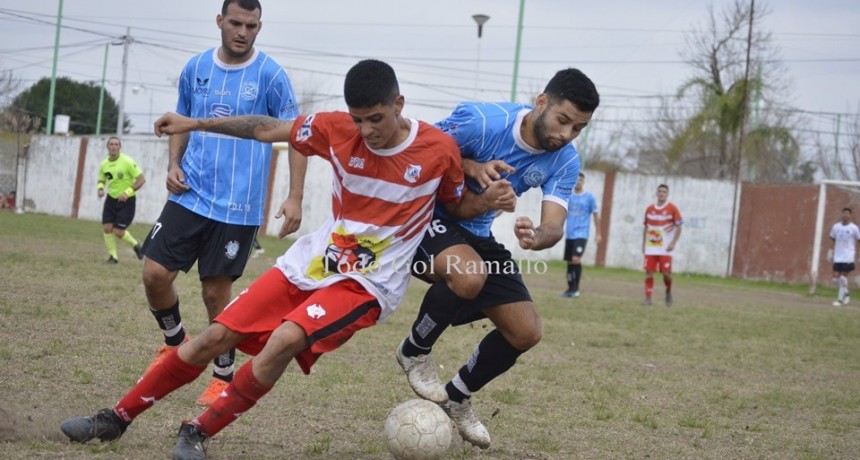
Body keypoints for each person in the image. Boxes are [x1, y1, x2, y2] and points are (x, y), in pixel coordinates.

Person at [60, 59, 514, 460]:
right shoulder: (335, 128)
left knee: (284, 339)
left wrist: (488, 200)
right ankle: (115, 418)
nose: (367, 131)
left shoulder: (438, 151)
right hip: (313, 263)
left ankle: (197, 432)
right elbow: (264, 128)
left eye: (375, 118)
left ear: (399, 103)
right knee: (213, 338)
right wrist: (193, 123)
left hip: (368, 283)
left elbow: (455, 206)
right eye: (359, 119)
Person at [394, 68, 600, 449]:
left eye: (578, 128)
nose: (566, 135)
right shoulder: (483, 121)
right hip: (424, 218)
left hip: (474, 232)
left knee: (525, 331)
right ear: (541, 102)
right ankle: (414, 351)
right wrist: (471, 166)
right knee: (470, 275)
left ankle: (457, 395)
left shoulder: (565, 161)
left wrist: (537, 236)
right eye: (563, 120)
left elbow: (554, 223)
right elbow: (421, 147)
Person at [137, 0, 303, 407]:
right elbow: (183, 119)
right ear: (219, 22)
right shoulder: (195, 68)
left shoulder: (271, 75)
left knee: (216, 294)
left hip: (238, 206)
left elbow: (300, 133)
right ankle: (175, 344)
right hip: (190, 193)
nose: (243, 31)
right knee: (155, 274)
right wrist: (174, 163)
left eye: (251, 25)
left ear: (259, 27)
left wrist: (295, 195)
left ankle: (222, 374)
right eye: (235, 23)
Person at [97, 136, 146, 264]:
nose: (113, 146)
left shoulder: (127, 162)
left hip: (127, 202)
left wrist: (127, 192)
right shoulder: (104, 164)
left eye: (116, 144)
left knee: (118, 232)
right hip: (111, 199)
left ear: (120, 147)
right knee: (107, 228)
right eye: (111, 144)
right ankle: (113, 257)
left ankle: (136, 245)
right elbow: (102, 179)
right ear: (107, 147)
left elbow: (141, 180)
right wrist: (100, 189)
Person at [642, 183, 683, 306]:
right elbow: (646, 227)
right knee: (649, 271)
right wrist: (643, 244)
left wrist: (673, 243)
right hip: (651, 246)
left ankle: (668, 290)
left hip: (665, 248)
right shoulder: (649, 209)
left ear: (667, 194)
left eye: (664, 192)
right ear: (656, 193)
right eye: (659, 191)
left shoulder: (672, 208)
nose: (661, 193)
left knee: (666, 273)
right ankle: (648, 298)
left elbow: (679, 226)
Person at [561, 172, 601, 298]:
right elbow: (562, 213)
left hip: (582, 233)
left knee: (576, 259)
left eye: (580, 180)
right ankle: (570, 288)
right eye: (576, 180)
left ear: (583, 182)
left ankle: (576, 289)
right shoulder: (568, 197)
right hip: (569, 234)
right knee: (569, 261)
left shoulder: (589, 197)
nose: (578, 182)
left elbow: (595, 214)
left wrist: (598, 233)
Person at [829, 207, 860, 306]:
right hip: (838, 255)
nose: (845, 215)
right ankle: (846, 293)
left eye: (847, 214)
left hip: (848, 255)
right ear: (842, 214)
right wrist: (830, 251)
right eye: (844, 213)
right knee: (836, 279)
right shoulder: (836, 227)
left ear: (850, 216)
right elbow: (833, 238)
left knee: (843, 277)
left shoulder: (854, 228)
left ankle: (839, 300)